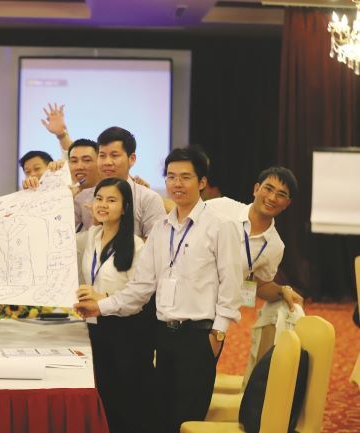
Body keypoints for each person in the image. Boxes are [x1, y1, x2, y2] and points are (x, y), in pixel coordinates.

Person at [75, 147, 243, 433]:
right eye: (171, 176)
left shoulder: (220, 225)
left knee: (187, 419)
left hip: (199, 335)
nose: (177, 184)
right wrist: (99, 307)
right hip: (163, 335)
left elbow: (231, 283)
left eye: (186, 177)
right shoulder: (161, 229)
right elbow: (140, 288)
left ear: (202, 182)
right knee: (160, 417)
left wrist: (218, 333)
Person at [75, 177, 156, 433]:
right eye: (99, 199)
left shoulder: (137, 246)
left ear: (125, 208)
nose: (102, 205)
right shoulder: (90, 237)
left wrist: (103, 299)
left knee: (126, 403)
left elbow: (139, 295)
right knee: (102, 399)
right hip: (95, 329)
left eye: (111, 200)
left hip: (127, 334)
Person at [206, 166, 303, 309]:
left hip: (218, 310)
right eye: (268, 189)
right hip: (184, 293)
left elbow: (262, 285)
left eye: (281, 194)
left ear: (287, 204)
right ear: (256, 189)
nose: (272, 198)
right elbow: (186, 215)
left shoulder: (275, 246)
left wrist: (282, 291)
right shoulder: (222, 207)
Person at [75, 126, 166, 237]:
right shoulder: (81, 199)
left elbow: (155, 243)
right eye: (102, 156)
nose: (107, 162)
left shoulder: (148, 199)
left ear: (132, 159)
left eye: (114, 155)